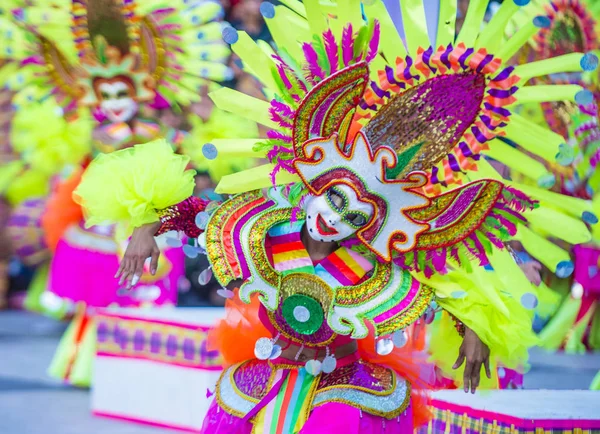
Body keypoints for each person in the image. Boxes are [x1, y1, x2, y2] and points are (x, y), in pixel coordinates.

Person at [74, 0, 595, 431]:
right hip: (265, 372)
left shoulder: (376, 267)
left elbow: (447, 294)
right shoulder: (261, 226)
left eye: (357, 214)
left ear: (372, 223)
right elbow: (189, 214)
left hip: (343, 382)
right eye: (335, 197)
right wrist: (145, 228)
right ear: (318, 185)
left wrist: (479, 328)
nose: (337, 217)